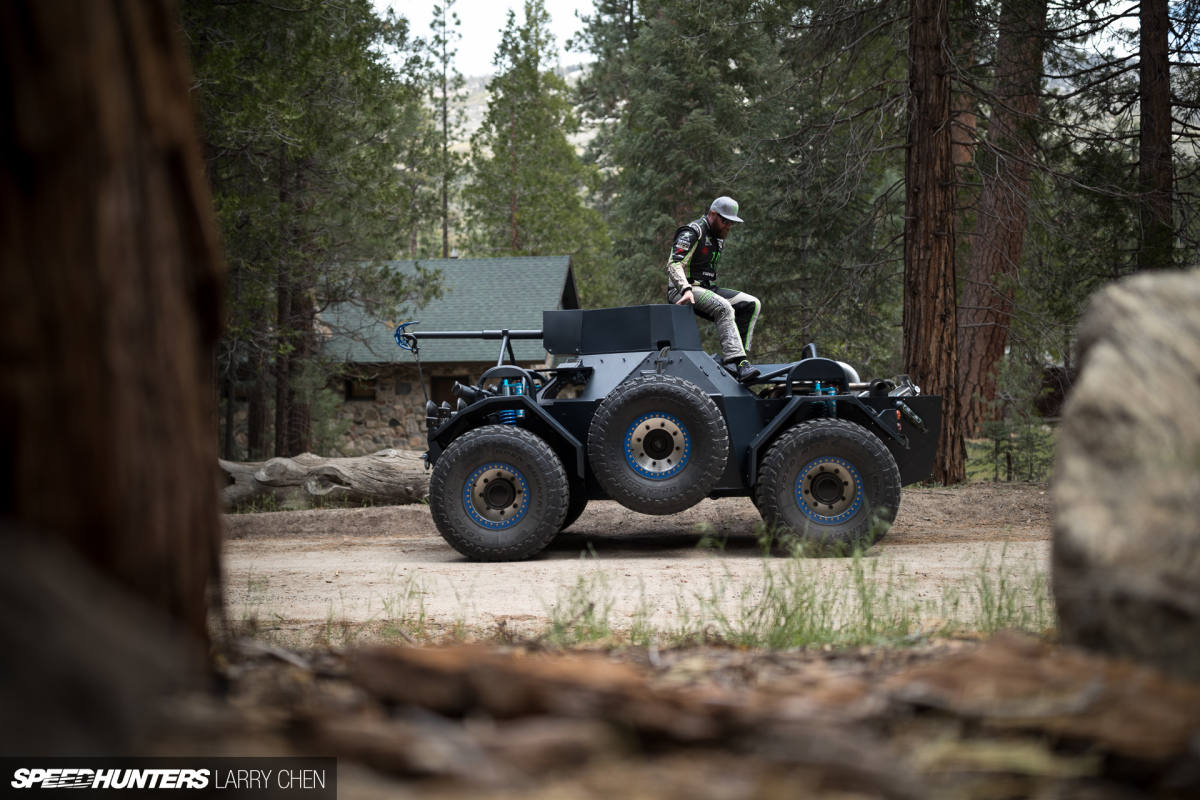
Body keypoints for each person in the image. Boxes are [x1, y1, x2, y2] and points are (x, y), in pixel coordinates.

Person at [666, 196, 761, 382]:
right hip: (682, 290)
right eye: (725, 221)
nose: (728, 226)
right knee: (723, 307)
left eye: (732, 222)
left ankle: (739, 362)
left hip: (706, 288)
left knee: (752, 304)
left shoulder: (718, 237)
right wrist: (685, 288)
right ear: (712, 214)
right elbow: (674, 264)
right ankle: (737, 361)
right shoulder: (693, 232)